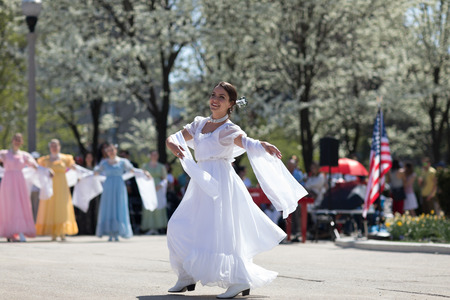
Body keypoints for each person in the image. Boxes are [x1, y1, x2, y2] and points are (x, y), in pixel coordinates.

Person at [165, 81, 307, 299]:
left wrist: (263, 145)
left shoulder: (229, 129)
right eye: (213, 95)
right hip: (200, 182)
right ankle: (186, 276)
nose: (215, 99)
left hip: (221, 183)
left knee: (222, 232)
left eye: (222, 97)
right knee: (178, 225)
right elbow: (173, 138)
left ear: (231, 103)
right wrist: (173, 145)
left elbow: (246, 141)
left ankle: (239, 280)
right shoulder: (199, 124)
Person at [35, 139, 79, 241]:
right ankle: (53, 233)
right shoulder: (44, 160)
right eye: (52, 146)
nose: (54, 148)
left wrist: (82, 173)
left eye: (56, 146)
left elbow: (74, 167)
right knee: (51, 207)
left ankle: (62, 232)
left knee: (62, 207)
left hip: (62, 186)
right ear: (50, 147)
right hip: (50, 186)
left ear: (59, 146)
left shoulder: (65, 158)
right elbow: (38, 170)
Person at [0, 133, 38, 242]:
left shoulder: (25, 155)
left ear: (22, 142)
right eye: (15, 139)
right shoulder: (4, 153)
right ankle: (9, 232)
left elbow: (36, 167)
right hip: (8, 181)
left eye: (19, 139)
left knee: (20, 205)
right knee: (9, 205)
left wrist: (45, 171)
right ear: (12, 140)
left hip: (20, 182)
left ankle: (20, 231)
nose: (17, 141)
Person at [94, 144, 135, 241]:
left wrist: (143, 173)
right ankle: (109, 232)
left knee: (119, 207)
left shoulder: (123, 161)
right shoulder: (104, 162)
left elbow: (132, 171)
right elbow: (96, 172)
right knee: (108, 207)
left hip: (119, 187)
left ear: (116, 150)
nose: (111, 152)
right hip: (108, 187)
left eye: (112, 150)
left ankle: (118, 232)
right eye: (108, 151)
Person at [140, 150, 168, 235]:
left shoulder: (161, 166)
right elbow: (141, 177)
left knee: (158, 206)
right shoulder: (145, 166)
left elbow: (165, 179)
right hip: (148, 188)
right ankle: (150, 227)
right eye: (153, 155)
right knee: (149, 207)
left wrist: (159, 186)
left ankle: (157, 227)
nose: (154, 156)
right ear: (150, 156)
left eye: (156, 155)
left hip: (158, 188)